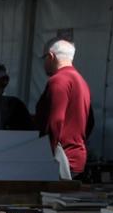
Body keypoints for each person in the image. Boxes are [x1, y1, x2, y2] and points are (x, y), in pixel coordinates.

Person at [34, 38, 92, 176]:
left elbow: (55, 122)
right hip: (77, 159)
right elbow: (90, 122)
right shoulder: (81, 81)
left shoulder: (58, 81)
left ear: (51, 56)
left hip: (61, 162)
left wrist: (46, 157)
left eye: (44, 59)